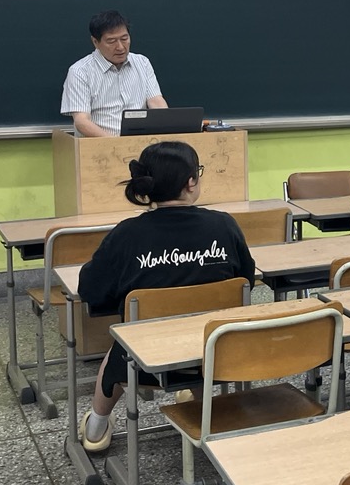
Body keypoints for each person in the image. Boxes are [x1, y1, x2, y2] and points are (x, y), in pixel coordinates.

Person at [75, 141, 254, 452]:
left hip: (144, 356)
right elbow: (246, 281)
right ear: (191, 182)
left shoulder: (127, 234)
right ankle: (200, 403)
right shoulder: (224, 225)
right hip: (218, 348)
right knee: (201, 324)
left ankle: (96, 427)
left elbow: (90, 290)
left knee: (120, 345)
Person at [60, 9, 167, 137]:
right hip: (99, 144)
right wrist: (116, 144)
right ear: (95, 42)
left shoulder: (142, 63)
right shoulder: (80, 72)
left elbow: (156, 101)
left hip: (141, 141)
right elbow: (82, 122)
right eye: (111, 41)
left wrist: (167, 127)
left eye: (124, 38)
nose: (120, 47)